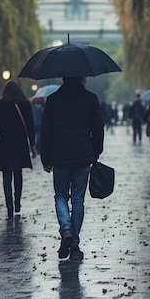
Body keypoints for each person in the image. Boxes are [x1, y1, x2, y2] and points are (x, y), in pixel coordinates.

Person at [41, 76, 104, 261]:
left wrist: (46, 157)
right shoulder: (91, 98)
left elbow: (46, 131)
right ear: (83, 77)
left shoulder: (53, 100)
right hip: (83, 155)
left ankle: (66, 230)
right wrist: (96, 151)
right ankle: (74, 244)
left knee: (60, 195)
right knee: (78, 200)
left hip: (60, 155)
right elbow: (98, 127)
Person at [0, 81, 37, 218]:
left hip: (4, 143)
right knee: (18, 173)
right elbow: (30, 126)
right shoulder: (25, 104)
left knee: (6, 175)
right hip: (20, 143)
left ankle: (9, 204)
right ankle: (17, 202)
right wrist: (32, 145)